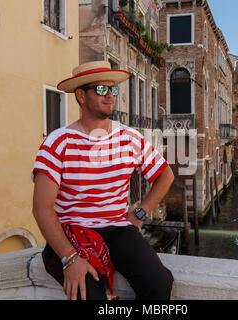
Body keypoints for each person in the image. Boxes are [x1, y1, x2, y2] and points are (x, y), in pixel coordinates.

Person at [31, 61, 175, 300]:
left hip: (118, 230)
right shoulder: (57, 142)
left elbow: (164, 175)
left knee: (159, 286)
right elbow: (41, 208)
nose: (110, 95)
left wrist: (140, 213)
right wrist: (70, 258)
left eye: (113, 89)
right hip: (71, 234)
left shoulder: (129, 138)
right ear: (81, 95)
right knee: (91, 294)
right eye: (101, 89)